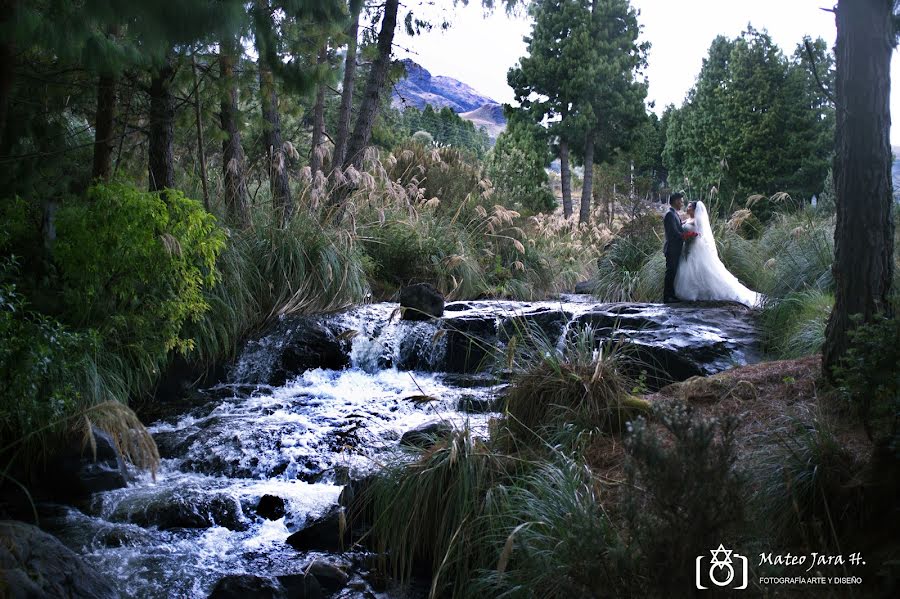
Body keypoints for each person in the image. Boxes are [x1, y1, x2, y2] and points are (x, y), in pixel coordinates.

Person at [675, 201, 763, 308]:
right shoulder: (687, 220)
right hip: (686, 247)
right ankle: (692, 291)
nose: (687, 208)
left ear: (694, 209)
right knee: (688, 269)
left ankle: (699, 292)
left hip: (695, 247)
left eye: (689, 207)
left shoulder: (698, 221)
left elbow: (701, 234)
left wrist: (691, 236)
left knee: (698, 268)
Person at [662, 192, 685, 303]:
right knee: (670, 272)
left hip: (675, 249)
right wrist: (686, 236)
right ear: (676, 201)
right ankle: (667, 297)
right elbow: (673, 233)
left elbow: (678, 228)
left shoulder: (674, 214)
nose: (682, 203)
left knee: (673, 271)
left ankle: (671, 294)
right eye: (681, 201)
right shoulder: (670, 214)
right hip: (671, 248)